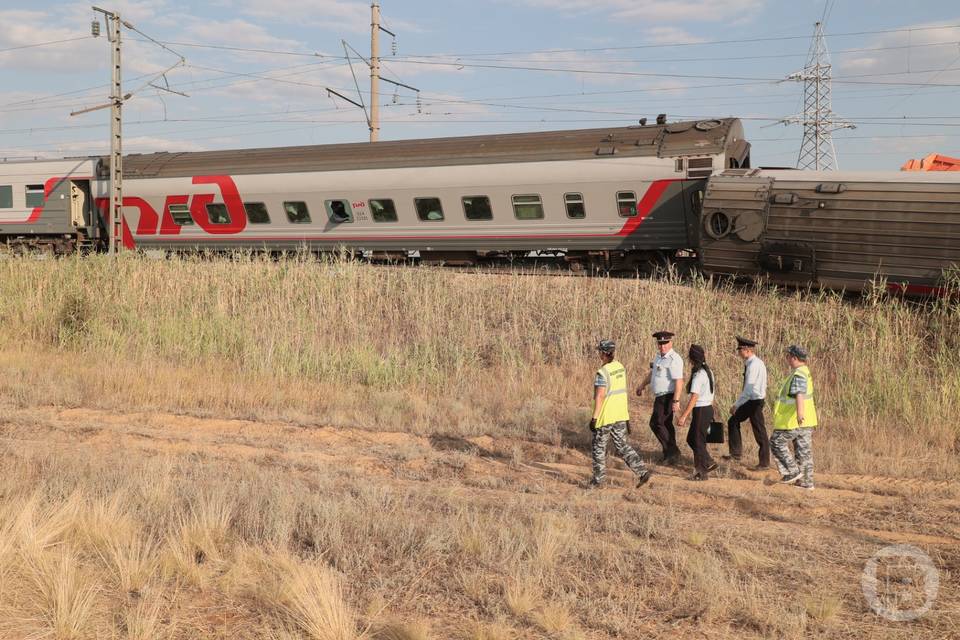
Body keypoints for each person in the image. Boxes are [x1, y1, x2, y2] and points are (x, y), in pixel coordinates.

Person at [589, 340, 653, 488]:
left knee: (598, 448)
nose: (599, 354)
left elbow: (600, 396)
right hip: (620, 414)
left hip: (605, 416)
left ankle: (598, 481)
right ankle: (642, 472)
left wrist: (594, 418)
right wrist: (627, 417)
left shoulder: (602, 372)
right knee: (622, 445)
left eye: (599, 351)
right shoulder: (620, 367)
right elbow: (621, 392)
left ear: (603, 353)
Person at [771, 345, 819, 490]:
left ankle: (792, 471)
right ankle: (806, 483)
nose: (787, 359)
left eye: (788, 356)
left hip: (795, 419)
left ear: (794, 358)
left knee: (776, 442)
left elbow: (799, 394)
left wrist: (799, 414)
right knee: (803, 451)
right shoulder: (805, 372)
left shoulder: (798, 374)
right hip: (808, 419)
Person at [636, 331, 684, 464]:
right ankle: (669, 453)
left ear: (671, 342)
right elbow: (653, 373)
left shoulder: (674, 359)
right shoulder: (659, 357)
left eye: (665, 343)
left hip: (668, 397)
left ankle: (672, 452)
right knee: (665, 424)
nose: (663, 346)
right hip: (660, 397)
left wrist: (676, 400)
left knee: (657, 423)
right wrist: (642, 385)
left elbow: (679, 381)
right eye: (660, 344)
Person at [727, 336, 770, 469]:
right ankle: (735, 454)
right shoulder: (754, 363)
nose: (738, 352)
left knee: (759, 431)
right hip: (753, 400)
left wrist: (736, 404)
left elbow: (748, 389)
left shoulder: (754, 365)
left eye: (739, 349)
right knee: (733, 421)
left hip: (754, 401)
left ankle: (764, 463)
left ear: (746, 350)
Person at [677, 344, 719, 480]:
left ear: (691, 359)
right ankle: (708, 461)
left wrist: (684, 416)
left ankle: (701, 473)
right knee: (692, 439)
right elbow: (712, 393)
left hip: (701, 409)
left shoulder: (699, 374)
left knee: (698, 441)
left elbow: (694, 397)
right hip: (707, 408)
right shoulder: (709, 371)